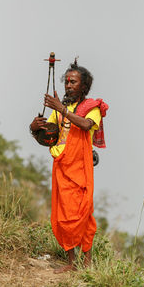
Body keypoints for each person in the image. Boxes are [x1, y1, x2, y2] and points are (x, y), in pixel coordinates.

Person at [31, 59, 108, 273]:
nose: (68, 85)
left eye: (73, 82)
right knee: (63, 215)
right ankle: (72, 263)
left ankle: (87, 265)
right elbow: (50, 136)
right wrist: (34, 128)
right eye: (66, 82)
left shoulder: (91, 107)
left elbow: (85, 125)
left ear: (84, 86)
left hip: (80, 169)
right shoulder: (61, 109)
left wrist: (60, 109)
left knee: (83, 215)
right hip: (61, 167)